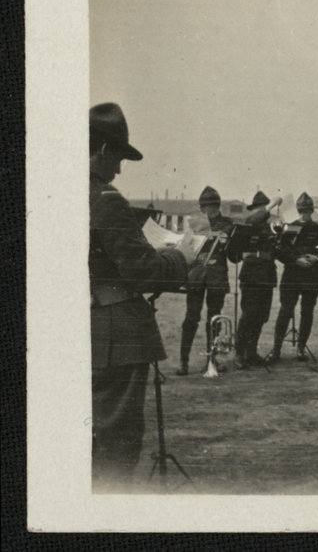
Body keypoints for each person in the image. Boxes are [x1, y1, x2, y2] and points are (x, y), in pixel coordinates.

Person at [90, 102, 190, 489]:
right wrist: (180, 256)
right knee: (116, 437)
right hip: (114, 333)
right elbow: (142, 270)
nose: (118, 169)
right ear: (102, 151)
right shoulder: (106, 198)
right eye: (117, 158)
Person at [267, 192, 318, 363]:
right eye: (302, 211)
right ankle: (276, 349)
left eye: (308, 211)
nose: (305, 214)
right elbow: (278, 251)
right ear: (298, 211)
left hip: (312, 276)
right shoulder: (288, 228)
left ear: (312, 211)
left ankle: (301, 348)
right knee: (285, 311)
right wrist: (295, 260)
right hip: (292, 275)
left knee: (307, 312)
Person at [175, 186, 233, 375]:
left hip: (217, 275)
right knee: (191, 317)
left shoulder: (227, 224)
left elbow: (234, 256)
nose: (207, 211)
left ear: (217, 207)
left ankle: (212, 360)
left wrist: (228, 243)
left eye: (210, 207)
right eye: (205, 207)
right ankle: (183, 361)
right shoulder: (193, 225)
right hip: (197, 275)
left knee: (214, 318)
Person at [228, 190, 278, 369]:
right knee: (249, 315)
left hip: (267, 275)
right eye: (262, 208)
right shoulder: (250, 222)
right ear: (256, 209)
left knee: (262, 316)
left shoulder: (268, 226)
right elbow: (254, 220)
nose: (265, 211)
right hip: (252, 275)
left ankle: (251, 352)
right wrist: (270, 207)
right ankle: (239, 354)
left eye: (265, 208)